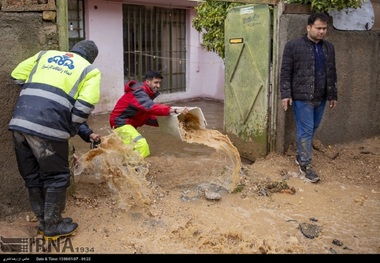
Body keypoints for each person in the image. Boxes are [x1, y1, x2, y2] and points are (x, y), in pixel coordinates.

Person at [9, 40, 101, 240]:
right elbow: (84, 106)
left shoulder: (45, 55)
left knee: (32, 176)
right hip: (48, 128)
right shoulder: (89, 71)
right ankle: (53, 225)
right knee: (57, 177)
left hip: (19, 123)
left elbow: (16, 75)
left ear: (73, 50)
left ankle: (44, 222)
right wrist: (70, 129)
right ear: (91, 58)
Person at [280, 13, 337, 183]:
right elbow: (285, 72)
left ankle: (300, 155)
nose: (322, 32)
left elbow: (332, 72)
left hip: (321, 96)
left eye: (324, 29)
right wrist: (286, 94)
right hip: (302, 97)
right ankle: (305, 164)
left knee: (312, 129)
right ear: (308, 27)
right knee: (306, 130)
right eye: (318, 28)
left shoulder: (328, 47)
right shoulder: (293, 46)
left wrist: (333, 94)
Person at [109, 70, 189, 158]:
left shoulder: (145, 94)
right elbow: (151, 107)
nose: (158, 86)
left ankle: (121, 164)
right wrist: (175, 110)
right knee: (141, 144)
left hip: (126, 123)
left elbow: (146, 117)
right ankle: (135, 168)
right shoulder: (138, 92)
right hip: (120, 123)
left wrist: (172, 122)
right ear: (147, 82)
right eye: (156, 82)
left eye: (159, 83)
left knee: (127, 150)